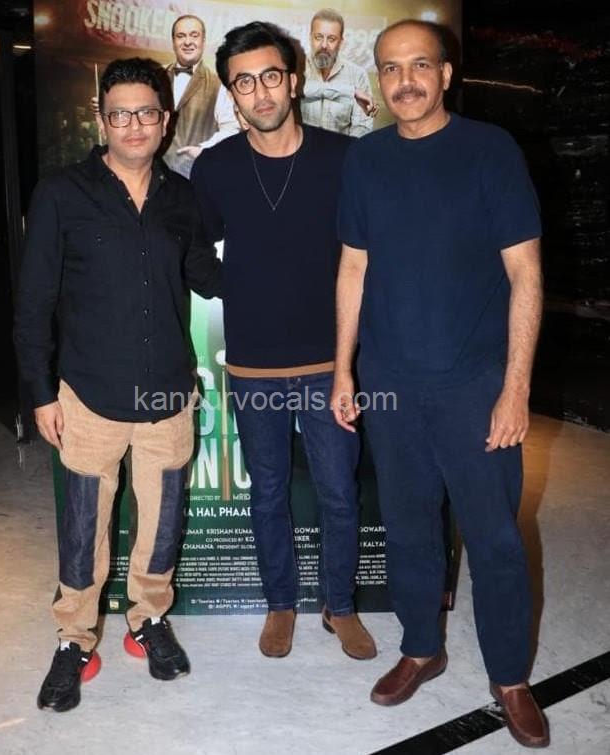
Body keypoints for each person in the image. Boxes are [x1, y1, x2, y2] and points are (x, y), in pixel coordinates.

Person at [332, 19, 549, 748]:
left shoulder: (489, 150)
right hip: (389, 382)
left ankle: (510, 677)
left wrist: (515, 388)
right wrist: (342, 368)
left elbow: (525, 273)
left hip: (474, 384)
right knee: (407, 527)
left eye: (419, 65)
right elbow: (353, 267)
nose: (405, 81)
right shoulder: (365, 160)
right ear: (379, 79)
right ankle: (421, 647)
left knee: (494, 538)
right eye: (391, 68)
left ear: (446, 73)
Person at [14, 57, 221, 712]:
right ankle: (74, 637)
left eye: (146, 112)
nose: (134, 124)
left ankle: (148, 618)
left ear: (165, 120)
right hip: (88, 394)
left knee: (162, 522)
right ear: (102, 121)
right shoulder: (61, 193)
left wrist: (277, 259)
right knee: (84, 528)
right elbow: (34, 301)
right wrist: (40, 392)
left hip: (167, 394)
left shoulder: (181, 197)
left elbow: (205, 275)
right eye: (120, 113)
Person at [190, 21, 376, 661]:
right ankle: (280, 604)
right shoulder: (215, 168)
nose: (260, 92)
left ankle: (340, 606)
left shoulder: (343, 158)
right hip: (253, 364)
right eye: (244, 82)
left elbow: (367, 254)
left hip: (331, 363)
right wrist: (234, 288)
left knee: (338, 492)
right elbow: (192, 249)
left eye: (270, 76)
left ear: (293, 81)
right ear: (232, 94)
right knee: (267, 493)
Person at [164, 14, 239, 178]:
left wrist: (203, 148)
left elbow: (232, 128)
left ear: (203, 41)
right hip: (152, 174)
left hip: (192, 177)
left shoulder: (219, 84)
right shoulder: (154, 76)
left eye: (194, 35)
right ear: (173, 42)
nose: (188, 42)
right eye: (181, 36)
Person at [300, 8, 377, 137]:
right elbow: (300, 91)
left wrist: (344, 149)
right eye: (318, 37)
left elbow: (362, 127)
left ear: (341, 43)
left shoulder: (358, 75)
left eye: (331, 39)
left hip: (343, 148)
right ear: (310, 38)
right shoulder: (295, 68)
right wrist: (351, 91)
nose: (324, 45)